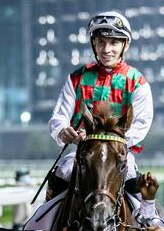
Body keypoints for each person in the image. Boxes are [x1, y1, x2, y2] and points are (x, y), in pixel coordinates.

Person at [47, 10, 152, 198]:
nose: (106, 49)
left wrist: (108, 141)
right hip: (83, 153)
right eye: (101, 42)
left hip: (119, 154)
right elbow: (58, 118)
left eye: (113, 43)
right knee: (61, 172)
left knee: (135, 190)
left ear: (125, 45)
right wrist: (63, 131)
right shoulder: (76, 78)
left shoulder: (137, 81)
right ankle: (40, 225)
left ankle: (145, 222)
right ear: (93, 43)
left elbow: (141, 124)